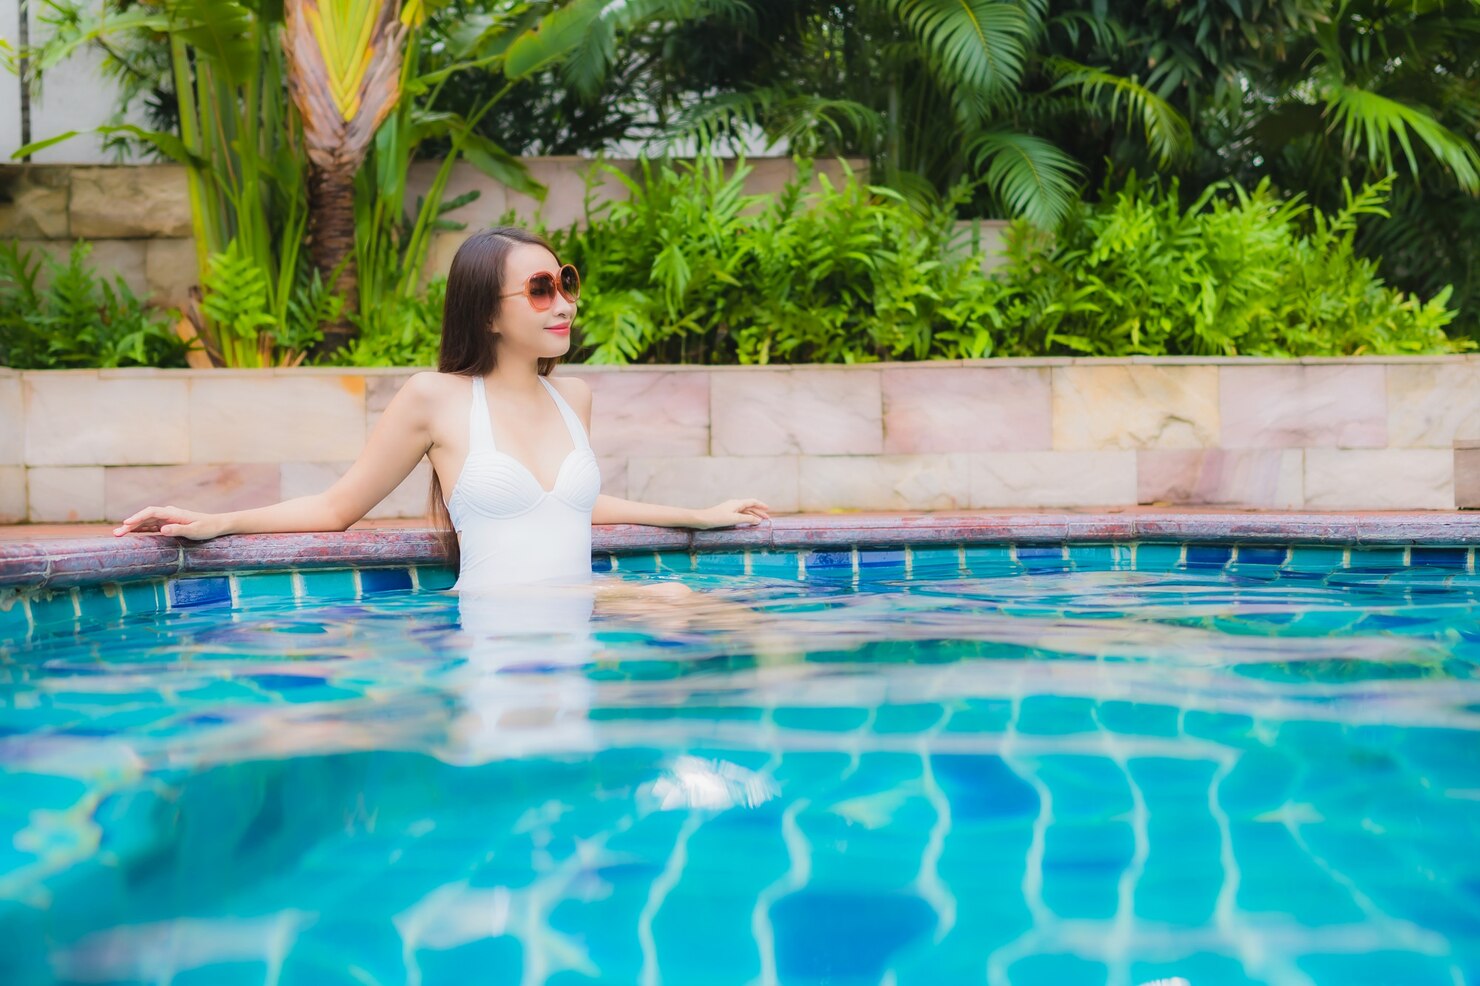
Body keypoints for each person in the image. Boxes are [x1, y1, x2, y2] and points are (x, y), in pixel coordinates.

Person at [111, 226, 771, 596]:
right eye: (539, 291)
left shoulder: (574, 397)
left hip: (578, 612)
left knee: (695, 607)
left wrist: (700, 517)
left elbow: (569, 504)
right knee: (680, 606)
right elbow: (337, 509)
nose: (564, 304)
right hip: (499, 621)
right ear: (487, 311)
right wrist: (219, 519)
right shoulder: (436, 398)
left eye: (565, 283)